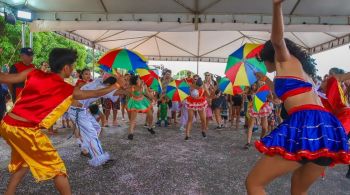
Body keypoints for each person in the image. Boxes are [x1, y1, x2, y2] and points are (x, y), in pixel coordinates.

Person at [245, 1, 350, 194]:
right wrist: (267, 81)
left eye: (262, 59)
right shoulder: (297, 72)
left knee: (254, 183)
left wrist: (276, 7)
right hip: (325, 128)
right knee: (298, 190)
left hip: (306, 123)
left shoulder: (284, 59)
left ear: (270, 56)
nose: (262, 63)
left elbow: (277, 40)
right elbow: (283, 97)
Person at [0, 48, 123, 195]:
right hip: (25, 130)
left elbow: (6, 78)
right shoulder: (67, 89)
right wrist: (116, 85)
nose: (73, 69)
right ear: (66, 68)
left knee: (26, 162)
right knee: (58, 169)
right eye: (73, 66)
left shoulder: (33, 72)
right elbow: (95, 93)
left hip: (7, 124)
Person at [126, 75, 155, 140]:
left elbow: (147, 94)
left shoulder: (143, 86)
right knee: (133, 119)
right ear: (135, 81)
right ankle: (131, 133)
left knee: (150, 115)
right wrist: (141, 87)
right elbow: (136, 94)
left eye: (139, 79)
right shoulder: (132, 87)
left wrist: (153, 98)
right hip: (134, 102)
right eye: (139, 79)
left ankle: (150, 127)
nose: (141, 80)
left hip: (143, 102)